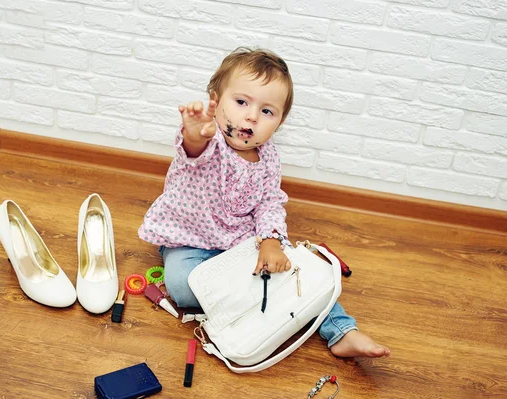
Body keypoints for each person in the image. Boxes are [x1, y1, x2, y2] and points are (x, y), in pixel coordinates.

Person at [138, 47, 390, 358]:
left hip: (237, 239)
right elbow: (193, 154)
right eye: (241, 102)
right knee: (179, 285)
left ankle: (340, 330)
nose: (252, 116)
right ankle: (263, 305)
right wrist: (194, 135)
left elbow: (270, 203)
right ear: (215, 100)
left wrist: (270, 241)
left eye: (267, 111)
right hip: (189, 237)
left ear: (279, 122)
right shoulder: (210, 140)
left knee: (293, 275)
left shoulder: (269, 158)